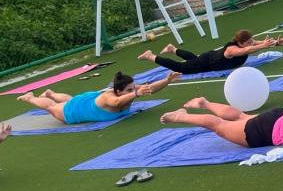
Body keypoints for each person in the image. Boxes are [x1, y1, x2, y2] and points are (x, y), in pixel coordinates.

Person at [18, 71, 178, 125]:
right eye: (129, 89)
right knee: (52, 108)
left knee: (71, 98)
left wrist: (167, 80)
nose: (134, 90)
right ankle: (29, 97)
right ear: (118, 90)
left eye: (133, 87)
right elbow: (115, 103)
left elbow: (150, 88)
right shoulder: (110, 97)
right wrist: (136, 93)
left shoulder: (126, 91)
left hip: (87, 102)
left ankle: (50, 92)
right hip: (72, 112)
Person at [137, 31, 283, 75]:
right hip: (208, 61)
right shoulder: (233, 49)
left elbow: (254, 45)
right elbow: (247, 50)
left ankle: (173, 49)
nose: (252, 43)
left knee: (193, 60)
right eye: (249, 41)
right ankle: (150, 55)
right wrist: (262, 45)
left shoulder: (247, 42)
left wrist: (276, 42)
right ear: (240, 42)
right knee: (181, 68)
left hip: (210, 60)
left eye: (252, 40)